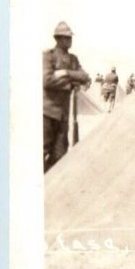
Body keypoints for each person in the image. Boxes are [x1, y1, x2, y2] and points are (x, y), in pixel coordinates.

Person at [43, 22, 90, 173]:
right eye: (67, 38)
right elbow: (47, 80)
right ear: (59, 39)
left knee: (60, 155)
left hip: (64, 114)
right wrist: (70, 85)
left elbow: (85, 77)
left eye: (70, 38)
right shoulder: (48, 56)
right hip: (47, 113)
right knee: (41, 151)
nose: (70, 40)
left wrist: (65, 73)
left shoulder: (73, 59)